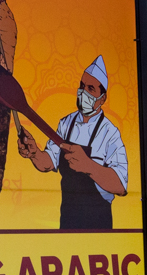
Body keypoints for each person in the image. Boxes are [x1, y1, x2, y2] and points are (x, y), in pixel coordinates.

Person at [17, 55, 128, 229]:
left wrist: (88, 166)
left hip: (98, 221)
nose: (83, 92)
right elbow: (48, 163)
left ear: (102, 98)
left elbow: (121, 186)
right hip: (68, 217)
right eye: (82, 86)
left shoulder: (110, 133)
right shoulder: (65, 123)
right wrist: (34, 153)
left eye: (91, 89)